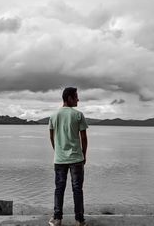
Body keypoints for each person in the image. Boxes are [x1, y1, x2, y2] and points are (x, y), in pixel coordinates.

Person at [48, 87, 88, 226]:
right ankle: (80, 220)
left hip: (59, 159)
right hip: (76, 158)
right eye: (76, 97)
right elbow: (83, 138)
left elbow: (52, 138)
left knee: (59, 189)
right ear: (69, 98)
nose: (78, 99)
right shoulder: (78, 115)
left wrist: (58, 151)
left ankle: (57, 219)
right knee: (77, 190)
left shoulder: (53, 116)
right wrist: (84, 155)